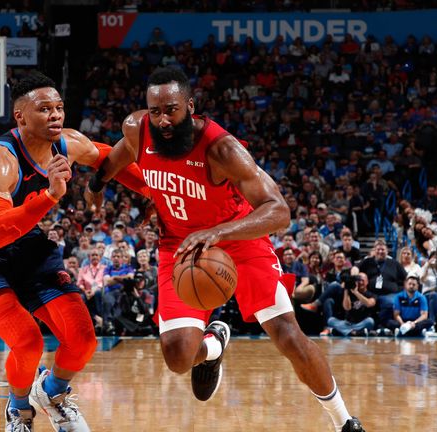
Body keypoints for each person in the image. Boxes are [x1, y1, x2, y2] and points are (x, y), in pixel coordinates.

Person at [87, 67, 364, 432]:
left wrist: (219, 233)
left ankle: (343, 420)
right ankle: (214, 345)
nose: (163, 120)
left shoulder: (222, 149)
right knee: (177, 357)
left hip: (239, 238)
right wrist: (97, 182)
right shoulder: (138, 129)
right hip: (180, 244)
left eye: (171, 110)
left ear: (190, 105)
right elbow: (123, 152)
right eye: (155, 111)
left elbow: (278, 210)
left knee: (287, 335)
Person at [0, 72, 147, 432]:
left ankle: (52, 393)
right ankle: (19, 410)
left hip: (27, 244)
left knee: (83, 339)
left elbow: (108, 157)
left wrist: (153, 194)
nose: (55, 115)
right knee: (27, 342)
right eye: (44, 109)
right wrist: (51, 196)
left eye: (58, 108)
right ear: (21, 116)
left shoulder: (68, 144)